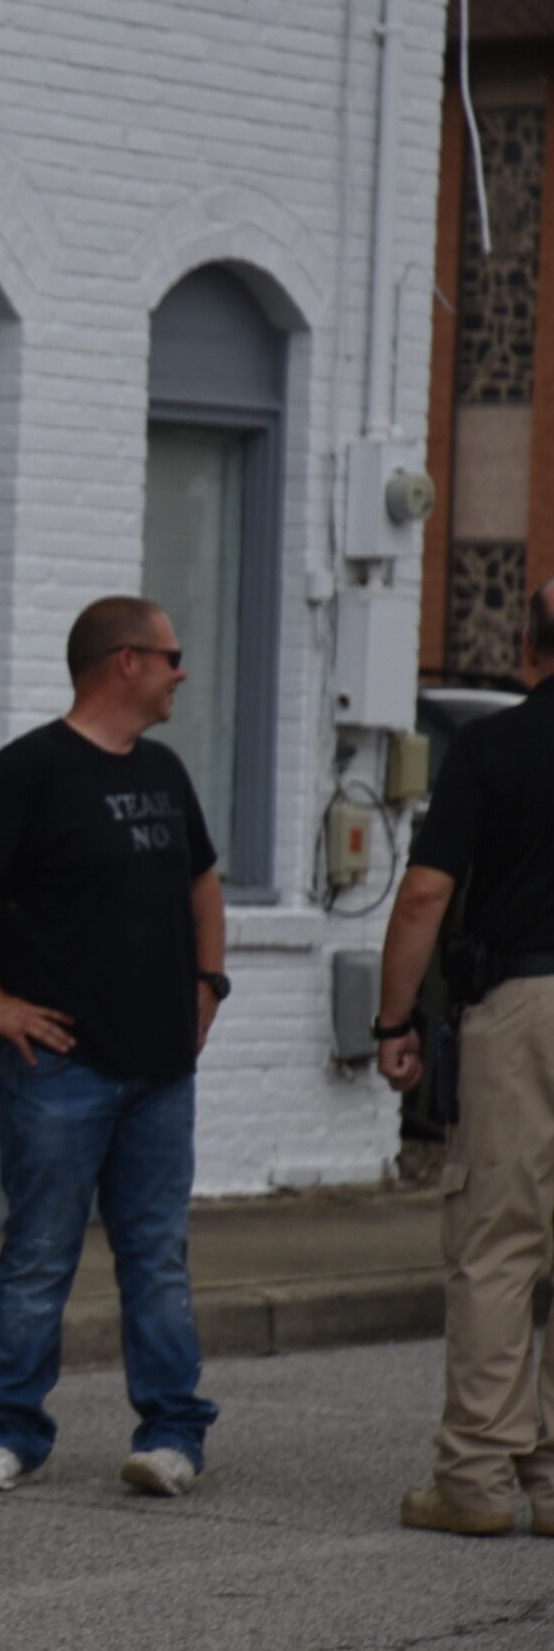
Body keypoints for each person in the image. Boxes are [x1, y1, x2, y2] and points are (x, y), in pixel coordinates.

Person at [0, 594, 225, 1499]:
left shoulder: (165, 771)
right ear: (125, 662)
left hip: (160, 1069)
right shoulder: (34, 769)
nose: (181, 671)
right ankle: (11, 1434)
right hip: (59, 1071)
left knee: (157, 1258)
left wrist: (210, 982)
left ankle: (172, 1435)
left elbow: (202, 883)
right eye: (170, 654)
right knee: (39, 1255)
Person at [374, 580, 554, 1535]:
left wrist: (393, 1021)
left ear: (530, 649)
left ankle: (477, 1477)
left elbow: (424, 894)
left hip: (523, 1005)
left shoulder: (492, 747)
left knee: (498, 1243)